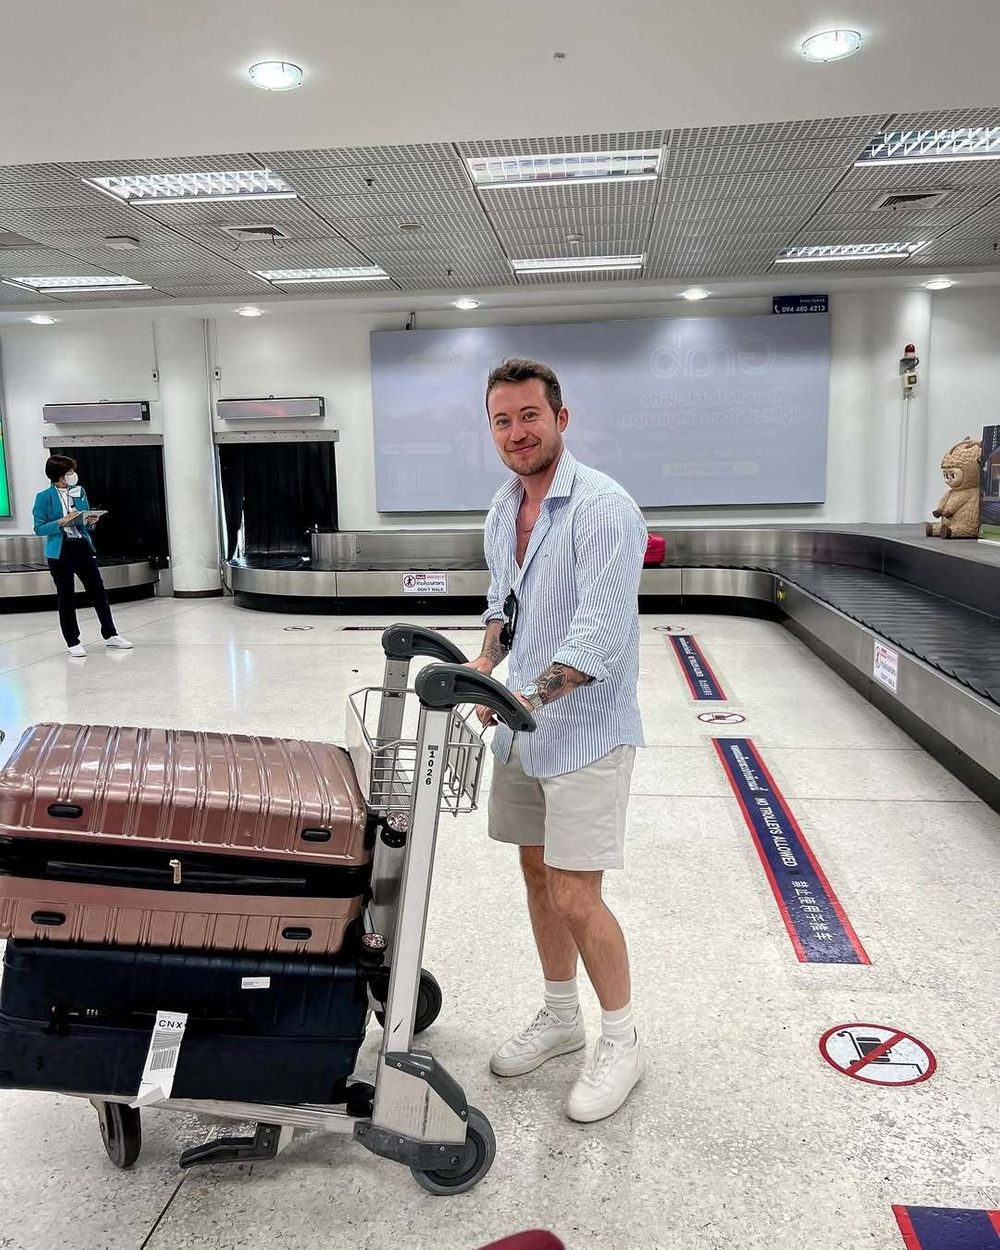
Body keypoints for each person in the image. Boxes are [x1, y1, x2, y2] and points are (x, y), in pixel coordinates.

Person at [469, 357, 647, 1123]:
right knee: (537, 876)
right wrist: (483, 661)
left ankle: (623, 1039)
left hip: (585, 736)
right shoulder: (502, 510)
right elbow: (503, 606)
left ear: (561, 419)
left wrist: (523, 693)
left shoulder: (605, 509)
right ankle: (559, 1015)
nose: (517, 432)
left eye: (529, 416)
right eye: (503, 420)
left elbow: (596, 639)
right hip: (523, 737)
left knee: (577, 892)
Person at [32, 455, 132, 658]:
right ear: (59, 474)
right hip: (60, 550)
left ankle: (111, 634)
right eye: (68, 472)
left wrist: (90, 520)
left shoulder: (79, 491)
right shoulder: (43, 497)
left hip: (81, 546)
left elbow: (84, 520)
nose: (72, 475)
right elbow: (39, 528)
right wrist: (61, 521)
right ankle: (73, 640)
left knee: (97, 590)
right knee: (66, 595)